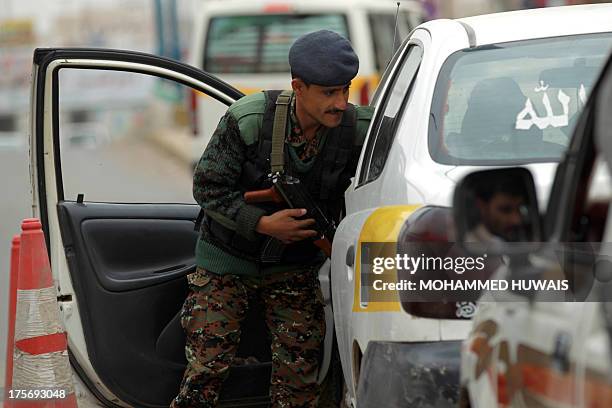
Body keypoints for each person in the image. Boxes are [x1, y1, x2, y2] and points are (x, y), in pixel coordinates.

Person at [171, 30, 373, 408]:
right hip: (226, 263)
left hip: (293, 268)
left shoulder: (355, 127)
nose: (340, 102)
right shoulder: (249, 121)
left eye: (345, 90)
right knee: (206, 371)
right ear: (299, 86)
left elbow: (408, 135)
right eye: (329, 92)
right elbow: (208, 188)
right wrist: (264, 224)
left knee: (300, 379)